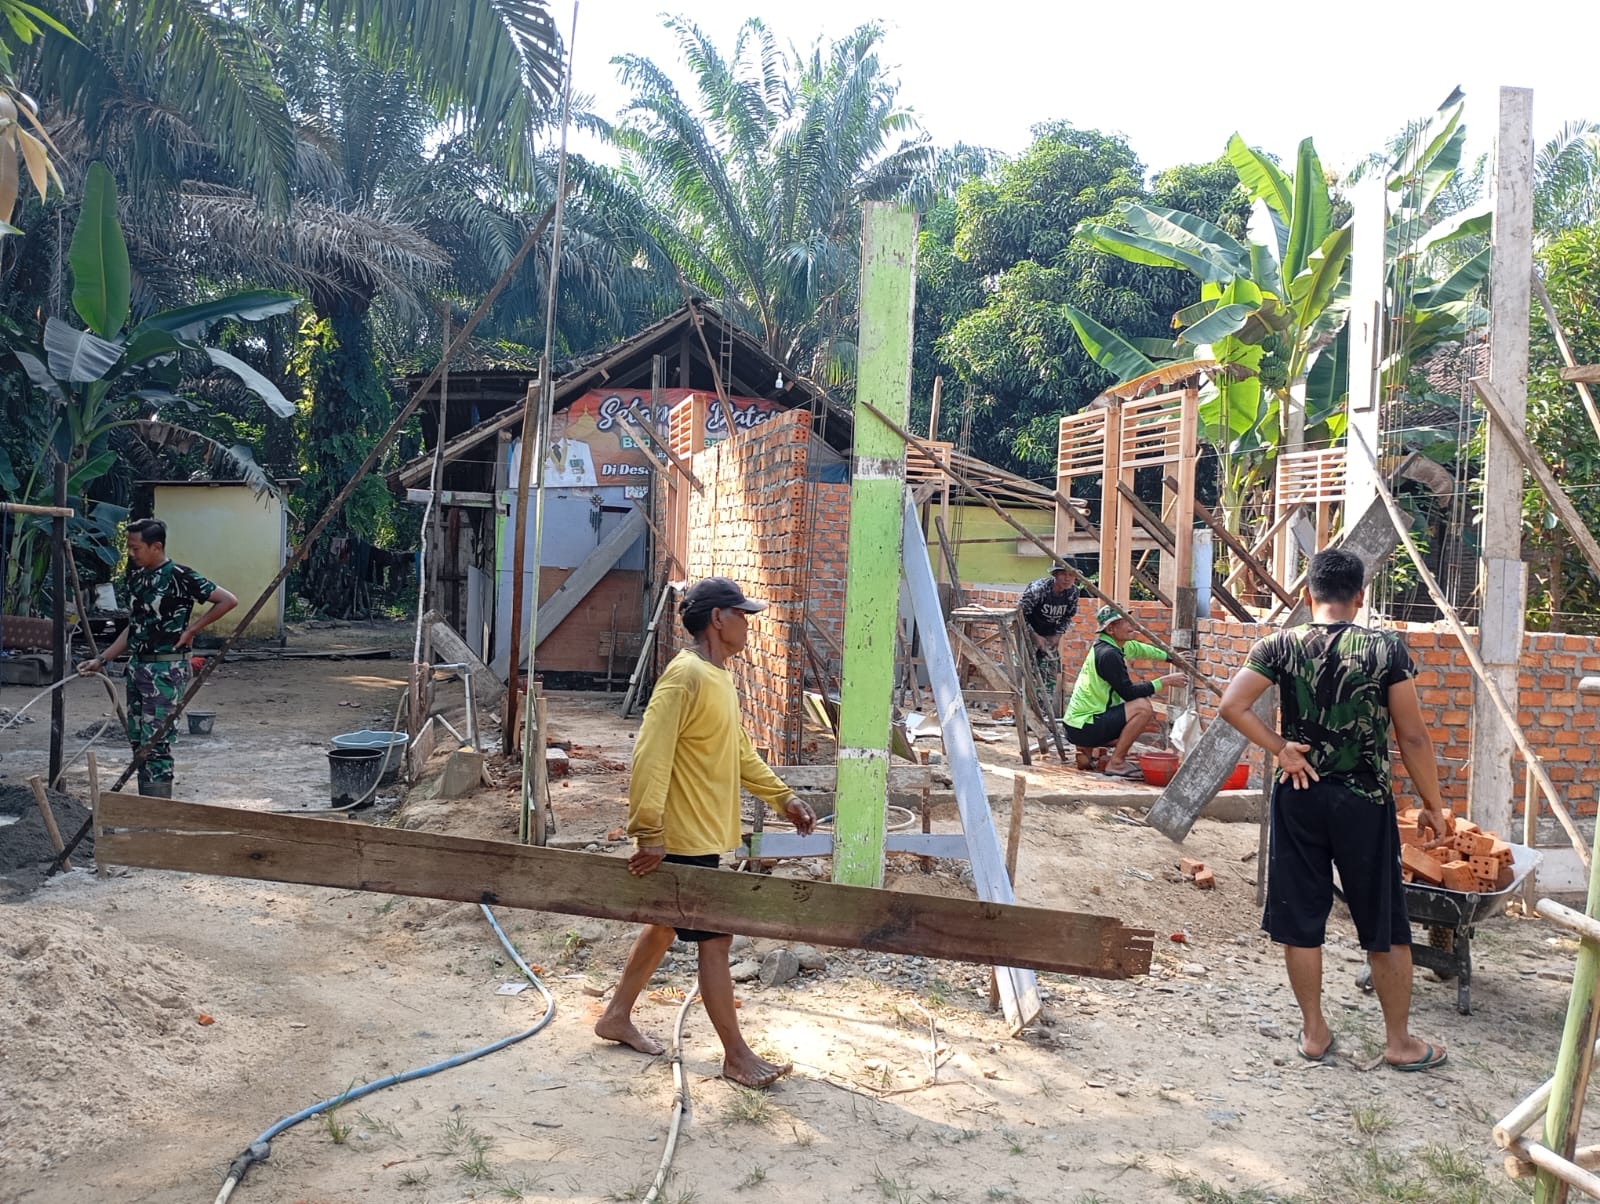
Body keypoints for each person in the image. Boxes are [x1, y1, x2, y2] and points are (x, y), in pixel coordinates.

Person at [1218, 547, 1452, 1072]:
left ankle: (1314, 1032)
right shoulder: (1385, 650)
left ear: (1308, 595)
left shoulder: (1279, 644)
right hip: (1364, 802)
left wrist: (1280, 748)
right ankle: (1399, 1043)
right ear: (1360, 597)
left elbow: (1232, 706)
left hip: (1299, 794)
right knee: (1383, 919)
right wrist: (1433, 805)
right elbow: (1413, 736)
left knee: (1300, 916)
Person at [594, 576, 816, 1088]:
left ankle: (616, 1016)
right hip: (683, 837)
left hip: (701, 835)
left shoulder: (717, 677)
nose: (748, 625)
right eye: (743, 615)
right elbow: (650, 754)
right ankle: (736, 1056)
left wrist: (783, 797)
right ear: (719, 619)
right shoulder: (684, 676)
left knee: (664, 924)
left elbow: (737, 751)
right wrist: (648, 830)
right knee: (716, 940)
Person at [76, 519, 237, 798]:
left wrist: (192, 630)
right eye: (129, 548)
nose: (131, 554)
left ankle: (157, 810)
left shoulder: (180, 576)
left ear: (156, 546)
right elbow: (134, 628)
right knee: (139, 743)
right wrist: (101, 659)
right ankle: (146, 805)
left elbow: (228, 600)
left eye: (136, 548)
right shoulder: (137, 579)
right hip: (138, 667)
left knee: (156, 743)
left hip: (165, 668)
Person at [1062, 604, 1184, 777]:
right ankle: (1116, 763)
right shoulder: (1109, 655)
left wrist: (1170, 657)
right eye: (1125, 621)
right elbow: (1128, 693)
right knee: (1142, 707)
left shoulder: (1113, 645)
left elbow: (1140, 649)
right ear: (1111, 629)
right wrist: (1165, 681)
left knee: (1124, 722)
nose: (1132, 625)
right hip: (1085, 726)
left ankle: (1086, 751)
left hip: (1076, 724)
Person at [1017, 564, 1080, 697]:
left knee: (1049, 677)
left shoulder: (1073, 592)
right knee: (1025, 675)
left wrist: (1058, 634)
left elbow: (1068, 615)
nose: (1067, 579)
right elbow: (1019, 615)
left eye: (1071, 575)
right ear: (1055, 574)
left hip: (1049, 636)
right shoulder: (1038, 589)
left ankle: (1045, 707)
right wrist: (1034, 635)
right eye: (1063, 574)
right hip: (1027, 634)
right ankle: (1024, 706)